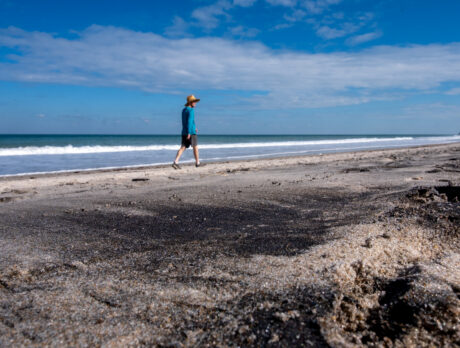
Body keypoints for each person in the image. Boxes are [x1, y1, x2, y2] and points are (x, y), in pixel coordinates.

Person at [172, 95, 203, 169]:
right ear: (191, 102)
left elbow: (187, 121)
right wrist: (190, 132)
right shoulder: (191, 110)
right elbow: (189, 121)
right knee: (195, 147)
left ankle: (175, 162)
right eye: (194, 102)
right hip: (190, 132)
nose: (195, 103)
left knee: (183, 147)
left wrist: (194, 127)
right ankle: (197, 163)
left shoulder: (184, 110)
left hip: (184, 131)